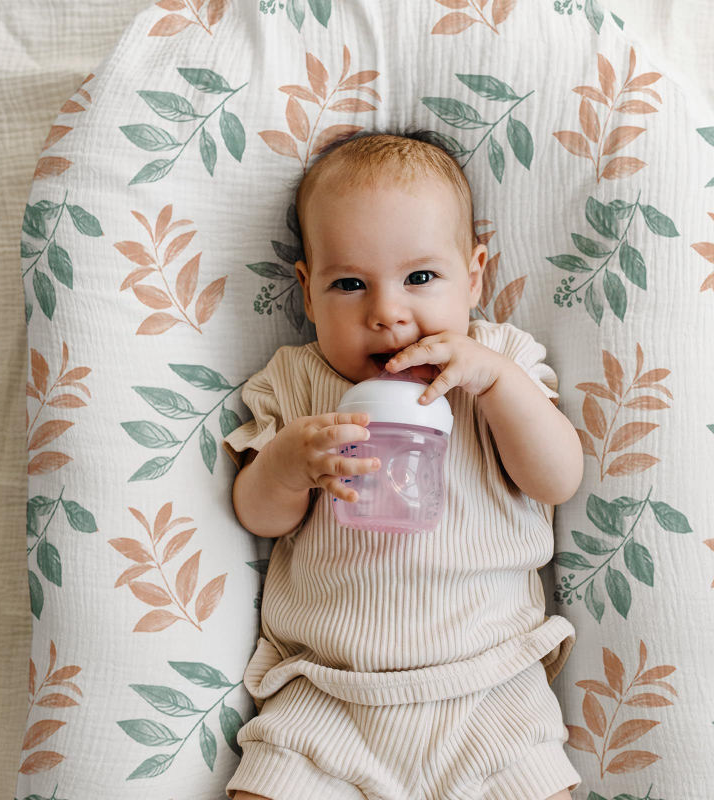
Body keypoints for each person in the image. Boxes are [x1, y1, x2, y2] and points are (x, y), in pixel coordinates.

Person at [222, 127, 584, 800]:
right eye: (350, 284)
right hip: (330, 692)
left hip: (490, 687)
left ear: (474, 275)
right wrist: (288, 464)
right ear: (306, 293)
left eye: (421, 277)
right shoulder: (296, 383)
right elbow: (256, 515)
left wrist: (497, 384)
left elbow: (557, 477)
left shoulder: (500, 361)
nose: (388, 314)